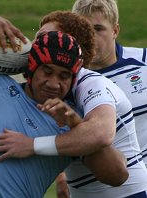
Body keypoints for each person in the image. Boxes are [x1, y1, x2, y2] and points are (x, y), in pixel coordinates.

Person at [0, 11, 129, 197]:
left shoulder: (69, 121)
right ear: (32, 68)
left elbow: (118, 175)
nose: (53, 83)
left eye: (64, 76)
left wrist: (75, 124)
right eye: (47, 71)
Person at [0, 11, 147, 197]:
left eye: (45, 37)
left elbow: (101, 135)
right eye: (38, 36)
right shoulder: (47, 84)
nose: (35, 43)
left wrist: (31, 145)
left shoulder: (91, 83)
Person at [53, 0, 147, 197]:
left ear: (115, 30)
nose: (91, 38)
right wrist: (59, 173)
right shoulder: (64, 79)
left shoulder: (143, 63)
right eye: (84, 31)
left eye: (98, 29)